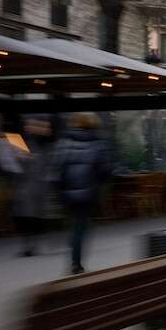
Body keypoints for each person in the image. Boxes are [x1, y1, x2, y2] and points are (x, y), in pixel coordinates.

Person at [52, 113, 113, 275]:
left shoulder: (63, 142)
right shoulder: (98, 143)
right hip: (88, 193)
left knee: (75, 226)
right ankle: (76, 262)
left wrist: (59, 191)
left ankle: (74, 257)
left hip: (67, 194)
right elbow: (105, 170)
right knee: (81, 227)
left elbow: (56, 170)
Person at [11, 117, 56, 257]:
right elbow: (16, 165)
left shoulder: (47, 146)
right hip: (27, 188)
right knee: (26, 217)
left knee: (35, 218)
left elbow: (51, 166)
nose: (30, 127)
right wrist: (21, 160)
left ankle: (31, 245)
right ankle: (28, 245)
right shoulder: (24, 143)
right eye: (29, 125)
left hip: (39, 188)